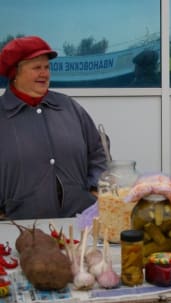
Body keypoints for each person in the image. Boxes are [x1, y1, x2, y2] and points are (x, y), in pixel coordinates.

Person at [0, 36, 107, 220]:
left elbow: (97, 150)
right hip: (19, 226)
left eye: (47, 67)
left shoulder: (69, 107)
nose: (44, 74)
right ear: (15, 73)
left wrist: (95, 187)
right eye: (36, 68)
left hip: (79, 220)